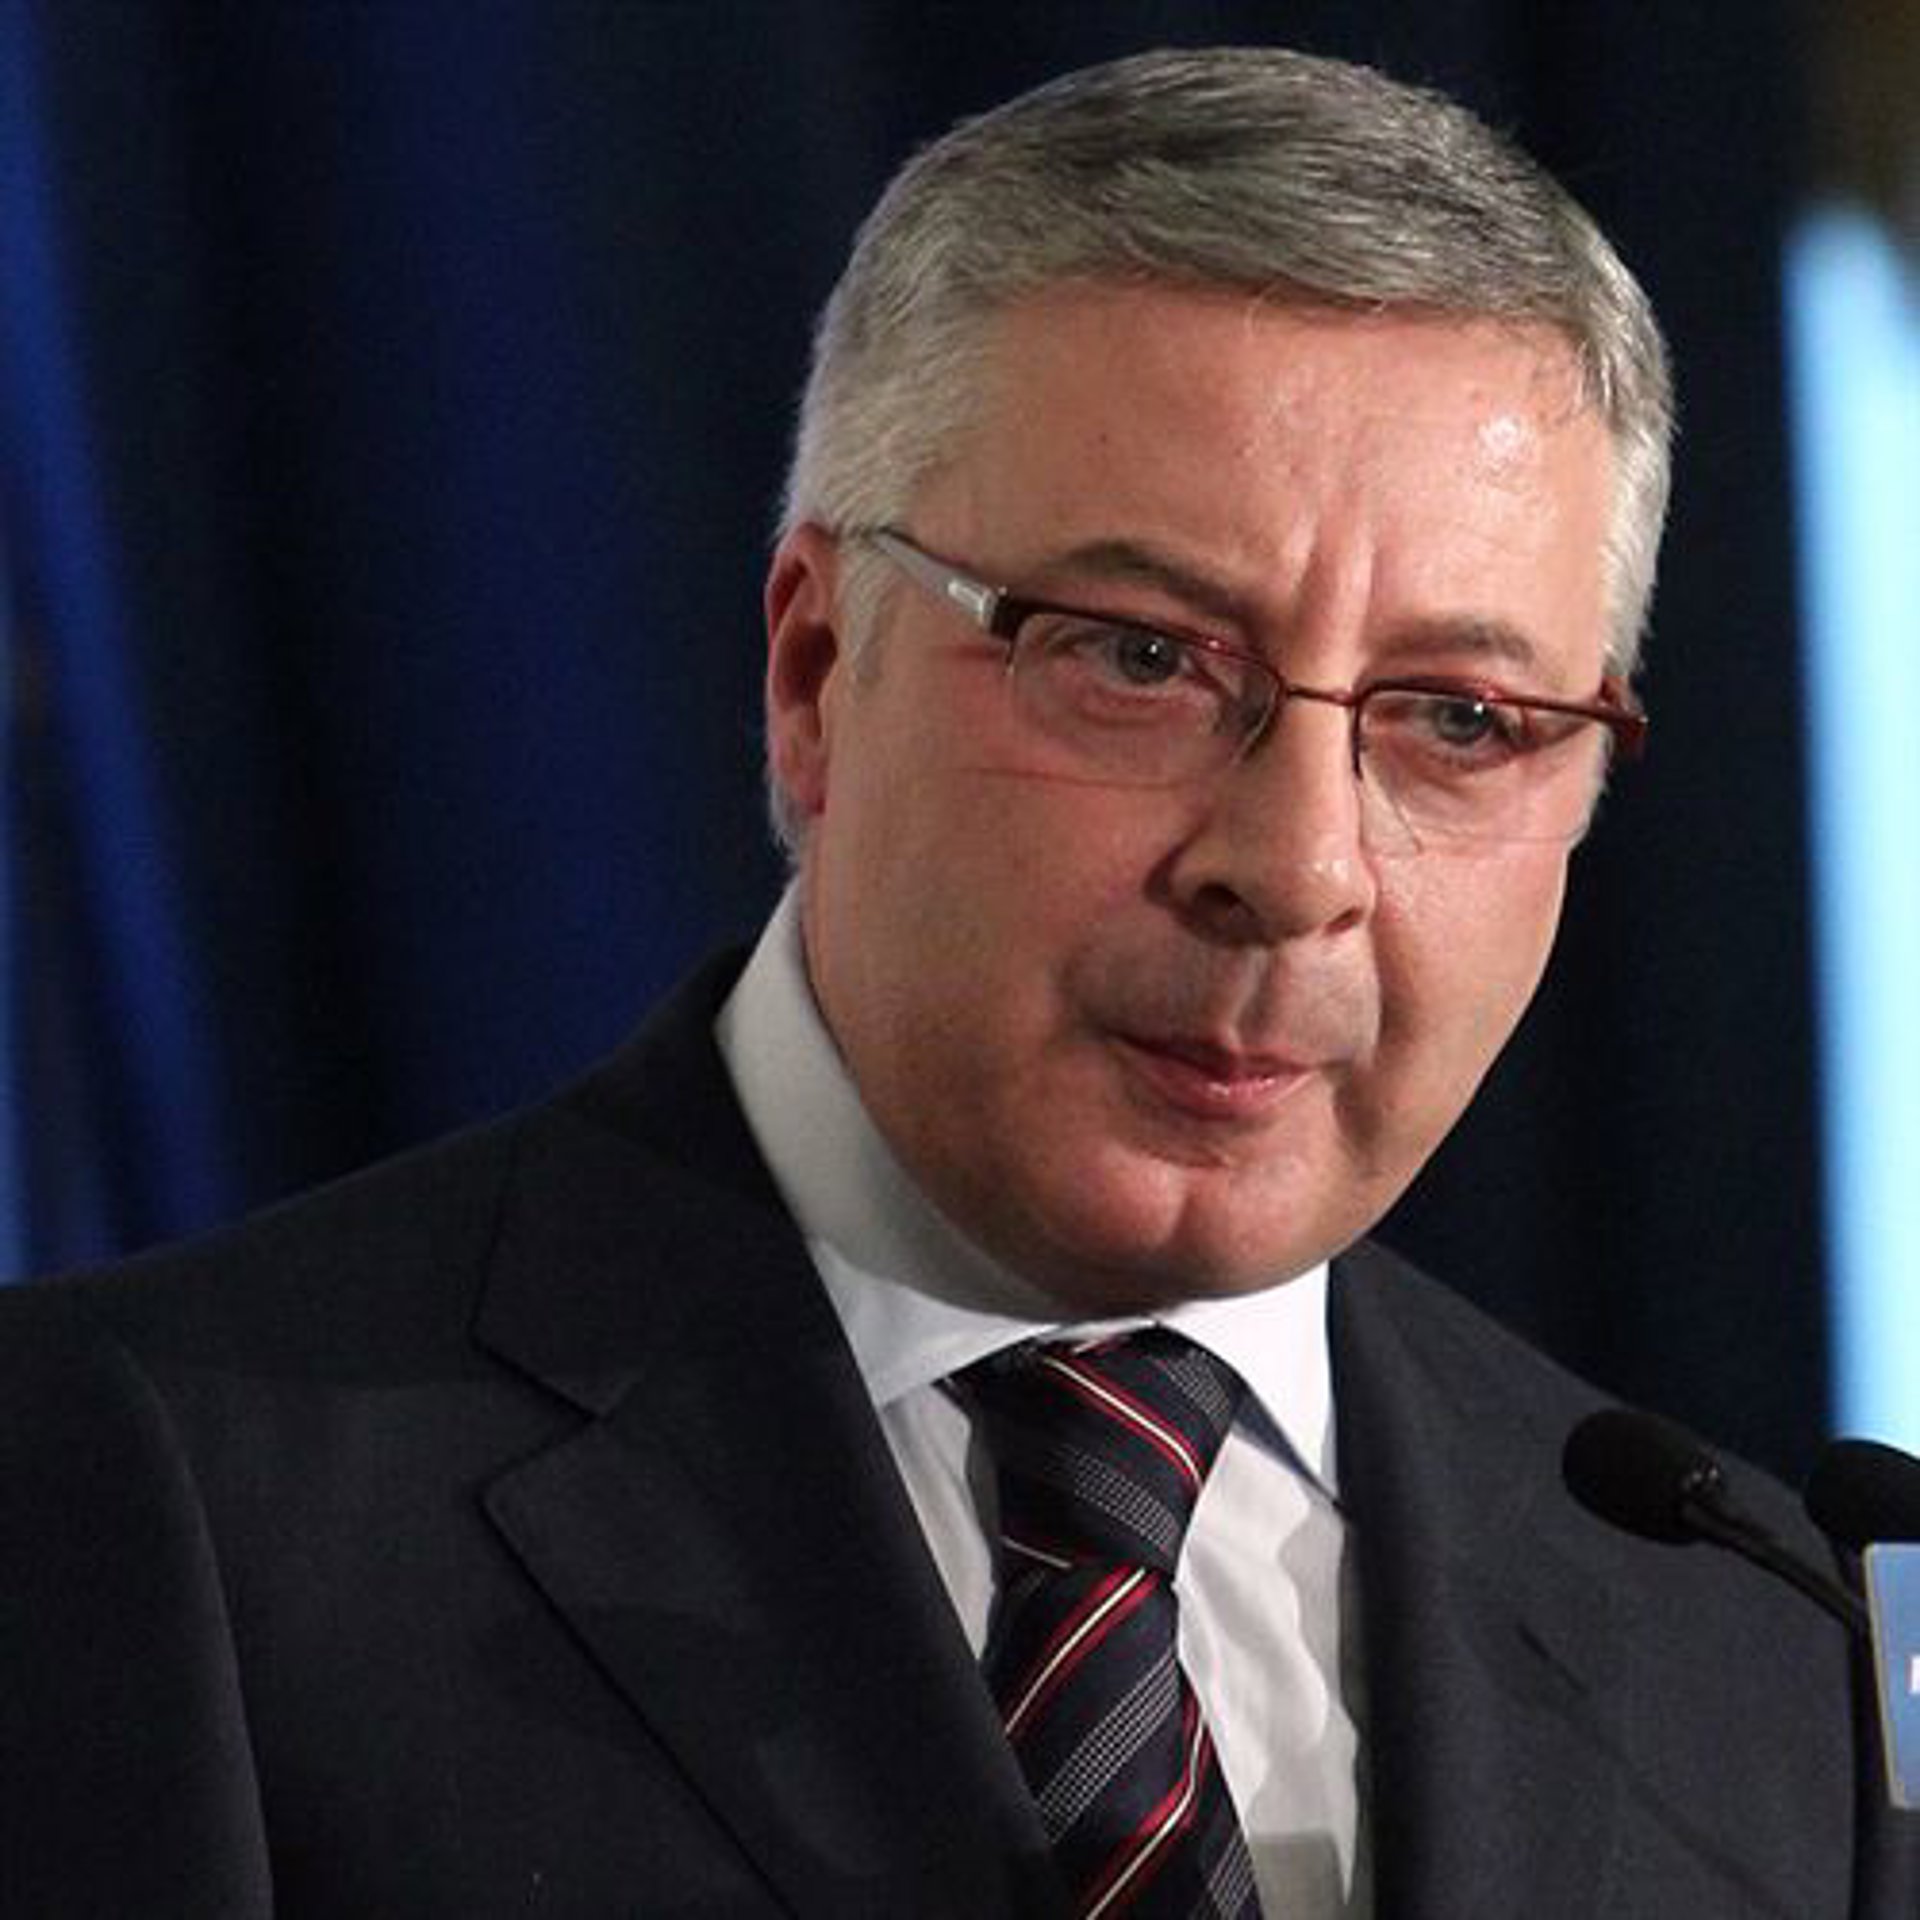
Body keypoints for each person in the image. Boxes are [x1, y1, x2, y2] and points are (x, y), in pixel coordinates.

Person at [0, 44, 1912, 1920]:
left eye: (1463, 720)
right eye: (1143, 660)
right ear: (819, 671)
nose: (1298, 871)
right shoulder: (140, 1494)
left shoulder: (1754, 1652)